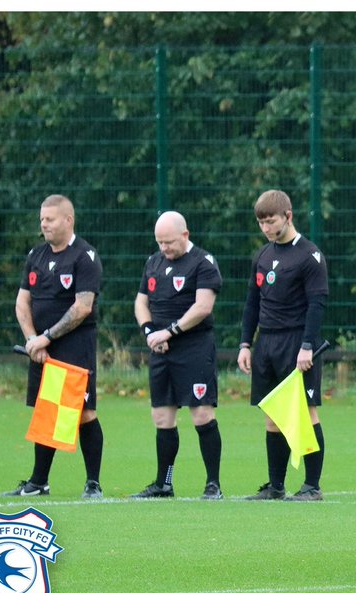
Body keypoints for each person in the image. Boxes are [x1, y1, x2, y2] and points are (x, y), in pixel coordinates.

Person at [5, 194, 105, 499]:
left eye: (49, 219)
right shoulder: (35, 255)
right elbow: (22, 302)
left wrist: (45, 338)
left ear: (68, 220)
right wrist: (32, 340)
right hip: (40, 345)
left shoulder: (84, 256)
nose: (43, 224)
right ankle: (39, 482)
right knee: (46, 409)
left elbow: (83, 307)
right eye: (41, 219)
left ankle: (93, 483)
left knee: (83, 412)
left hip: (75, 346)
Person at [237, 190, 329, 501]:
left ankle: (311, 486)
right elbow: (252, 303)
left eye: (271, 220)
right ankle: (275, 486)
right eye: (261, 221)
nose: (265, 226)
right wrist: (245, 344)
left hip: (296, 342)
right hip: (267, 343)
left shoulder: (309, 255)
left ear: (288, 215)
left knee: (306, 411)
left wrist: (306, 346)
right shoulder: (262, 256)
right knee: (272, 415)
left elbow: (317, 304)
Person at [132, 211, 224, 500]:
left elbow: (202, 308)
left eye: (169, 242)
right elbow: (140, 302)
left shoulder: (203, 262)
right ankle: (164, 483)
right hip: (161, 350)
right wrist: (149, 332)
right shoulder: (153, 262)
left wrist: (168, 332)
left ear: (185, 235)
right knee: (162, 417)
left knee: (201, 414)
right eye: (160, 242)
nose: (164, 248)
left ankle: (213, 484)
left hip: (194, 349)